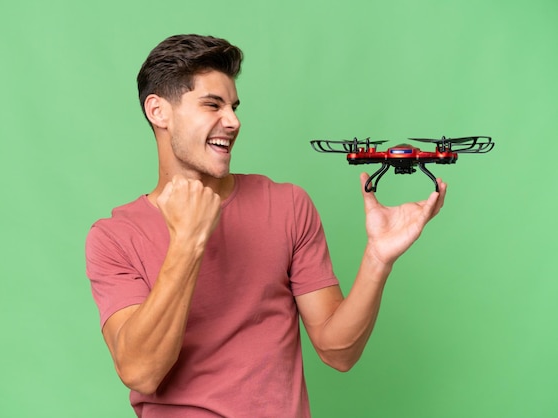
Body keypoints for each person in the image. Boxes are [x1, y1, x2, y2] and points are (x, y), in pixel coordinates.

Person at [85, 34, 447, 417]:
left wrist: (378, 257)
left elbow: (338, 351)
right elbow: (141, 371)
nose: (233, 121)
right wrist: (188, 240)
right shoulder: (114, 237)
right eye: (212, 105)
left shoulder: (287, 204)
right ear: (158, 111)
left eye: (234, 107)